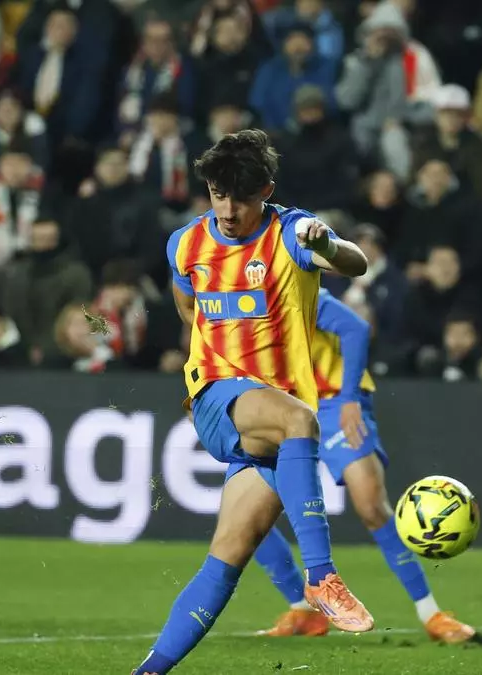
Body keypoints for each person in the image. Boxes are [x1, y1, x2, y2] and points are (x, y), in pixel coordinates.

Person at [131, 130, 372, 675]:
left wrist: (328, 246)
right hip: (222, 398)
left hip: (269, 421)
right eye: (218, 195)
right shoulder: (186, 244)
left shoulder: (292, 232)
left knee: (225, 563)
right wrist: (201, 375)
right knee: (300, 420)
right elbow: (187, 307)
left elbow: (355, 264)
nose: (229, 210)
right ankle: (321, 576)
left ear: (266, 190)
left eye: (241, 198)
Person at [251, 288, 482, 646]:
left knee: (371, 505)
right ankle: (302, 610)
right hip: (278, 407)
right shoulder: (225, 296)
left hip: (333, 402)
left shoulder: (291, 287)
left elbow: (356, 329)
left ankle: (432, 614)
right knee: (247, 511)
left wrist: (349, 398)